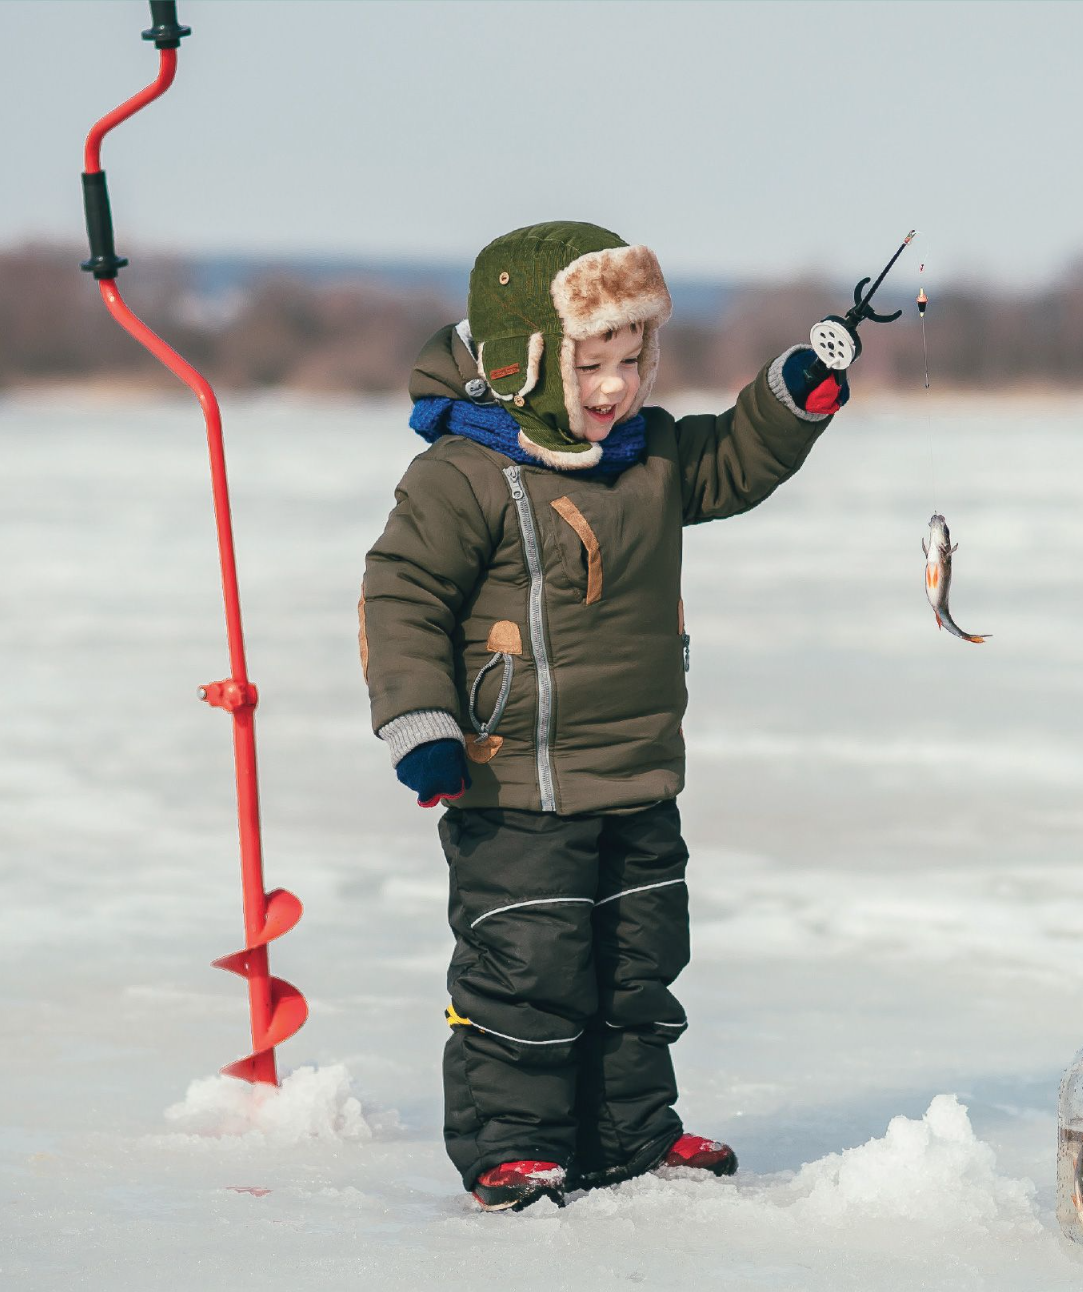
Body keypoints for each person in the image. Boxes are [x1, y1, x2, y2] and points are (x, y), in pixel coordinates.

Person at [359, 221, 851, 1211]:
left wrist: (792, 395)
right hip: (511, 775)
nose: (616, 386)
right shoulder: (462, 476)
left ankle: (630, 1134)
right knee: (527, 965)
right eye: (590, 364)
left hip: (634, 767)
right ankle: (512, 1144)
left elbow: (731, 460)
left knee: (637, 966)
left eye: (633, 360)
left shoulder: (649, 457)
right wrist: (421, 723)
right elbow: (400, 594)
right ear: (523, 362)